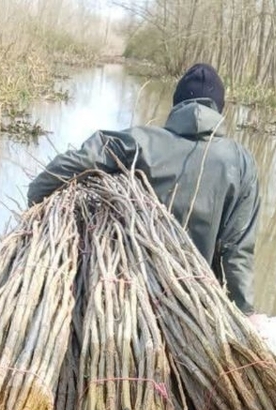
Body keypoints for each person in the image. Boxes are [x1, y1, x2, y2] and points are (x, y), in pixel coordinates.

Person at [28, 63, 262, 319]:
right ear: (220, 109)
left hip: (129, 298)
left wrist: (36, 200)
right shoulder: (240, 162)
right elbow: (237, 248)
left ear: (176, 105)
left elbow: (68, 167)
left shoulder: (139, 141)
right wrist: (243, 311)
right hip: (194, 305)